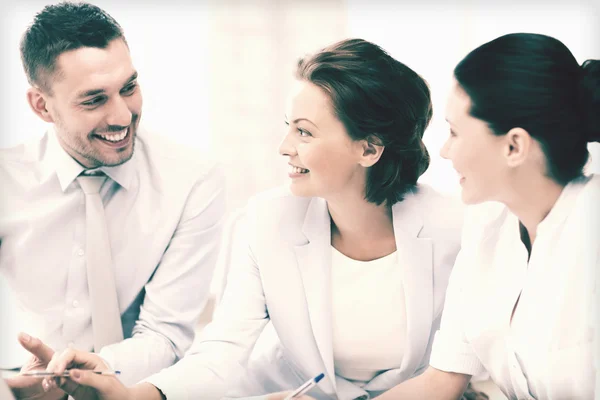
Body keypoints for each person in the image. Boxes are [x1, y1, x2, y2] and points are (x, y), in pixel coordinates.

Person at [28, 38, 465, 400]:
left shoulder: (454, 229)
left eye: (305, 132)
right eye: (289, 126)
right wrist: (131, 393)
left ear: (369, 149)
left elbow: (458, 368)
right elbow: (224, 350)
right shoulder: (267, 220)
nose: (284, 146)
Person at [0, 2, 225, 398]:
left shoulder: (192, 180)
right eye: (94, 100)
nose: (122, 116)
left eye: (129, 88)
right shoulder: (6, 180)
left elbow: (166, 335)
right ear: (41, 106)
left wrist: (93, 373)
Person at [374, 33, 599, 399]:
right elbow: (441, 382)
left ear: (514, 145)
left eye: (455, 132)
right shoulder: (486, 226)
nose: (444, 151)